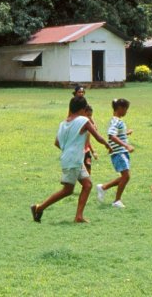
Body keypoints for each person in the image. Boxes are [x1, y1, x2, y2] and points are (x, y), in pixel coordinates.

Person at [31, 95, 111, 224]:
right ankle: (39, 207)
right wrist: (108, 145)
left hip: (73, 159)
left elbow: (57, 142)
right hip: (74, 160)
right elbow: (97, 137)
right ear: (83, 109)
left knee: (87, 185)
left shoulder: (63, 123)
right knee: (67, 190)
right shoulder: (83, 121)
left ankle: (79, 216)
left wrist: (68, 149)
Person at [96, 98, 134, 208]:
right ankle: (117, 201)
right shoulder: (116, 121)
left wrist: (126, 133)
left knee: (125, 176)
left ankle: (103, 187)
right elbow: (111, 136)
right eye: (126, 109)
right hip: (119, 152)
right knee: (126, 176)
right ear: (120, 108)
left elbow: (116, 134)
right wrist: (126, 145)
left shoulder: (116, 120)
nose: (126, 112)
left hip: (121, 152)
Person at [82, 104, 98, 174]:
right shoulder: (81, 126)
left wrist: (93, 151)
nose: (89, 118)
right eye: (87, 115)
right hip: (78, 152)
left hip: (86, 152)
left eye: (90, 116)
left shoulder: (88, 126)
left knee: (88, 173)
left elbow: (87, 141)